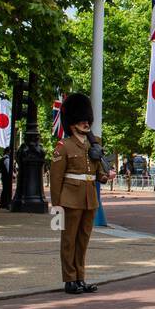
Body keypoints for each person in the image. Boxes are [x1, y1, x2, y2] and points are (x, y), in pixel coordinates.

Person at [49, 93, 107, 294]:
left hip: (89, 199)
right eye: (81, 120)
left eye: (86, 119)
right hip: (69, 199)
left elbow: (99, 172)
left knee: (83, 240)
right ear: (72, 123)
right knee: (69, 241)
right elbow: (56, 179)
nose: (85, 123)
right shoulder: (64, 146)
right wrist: (56, 206)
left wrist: (105, 175)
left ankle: (81, 278)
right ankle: (70, 280)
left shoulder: (95, 142)